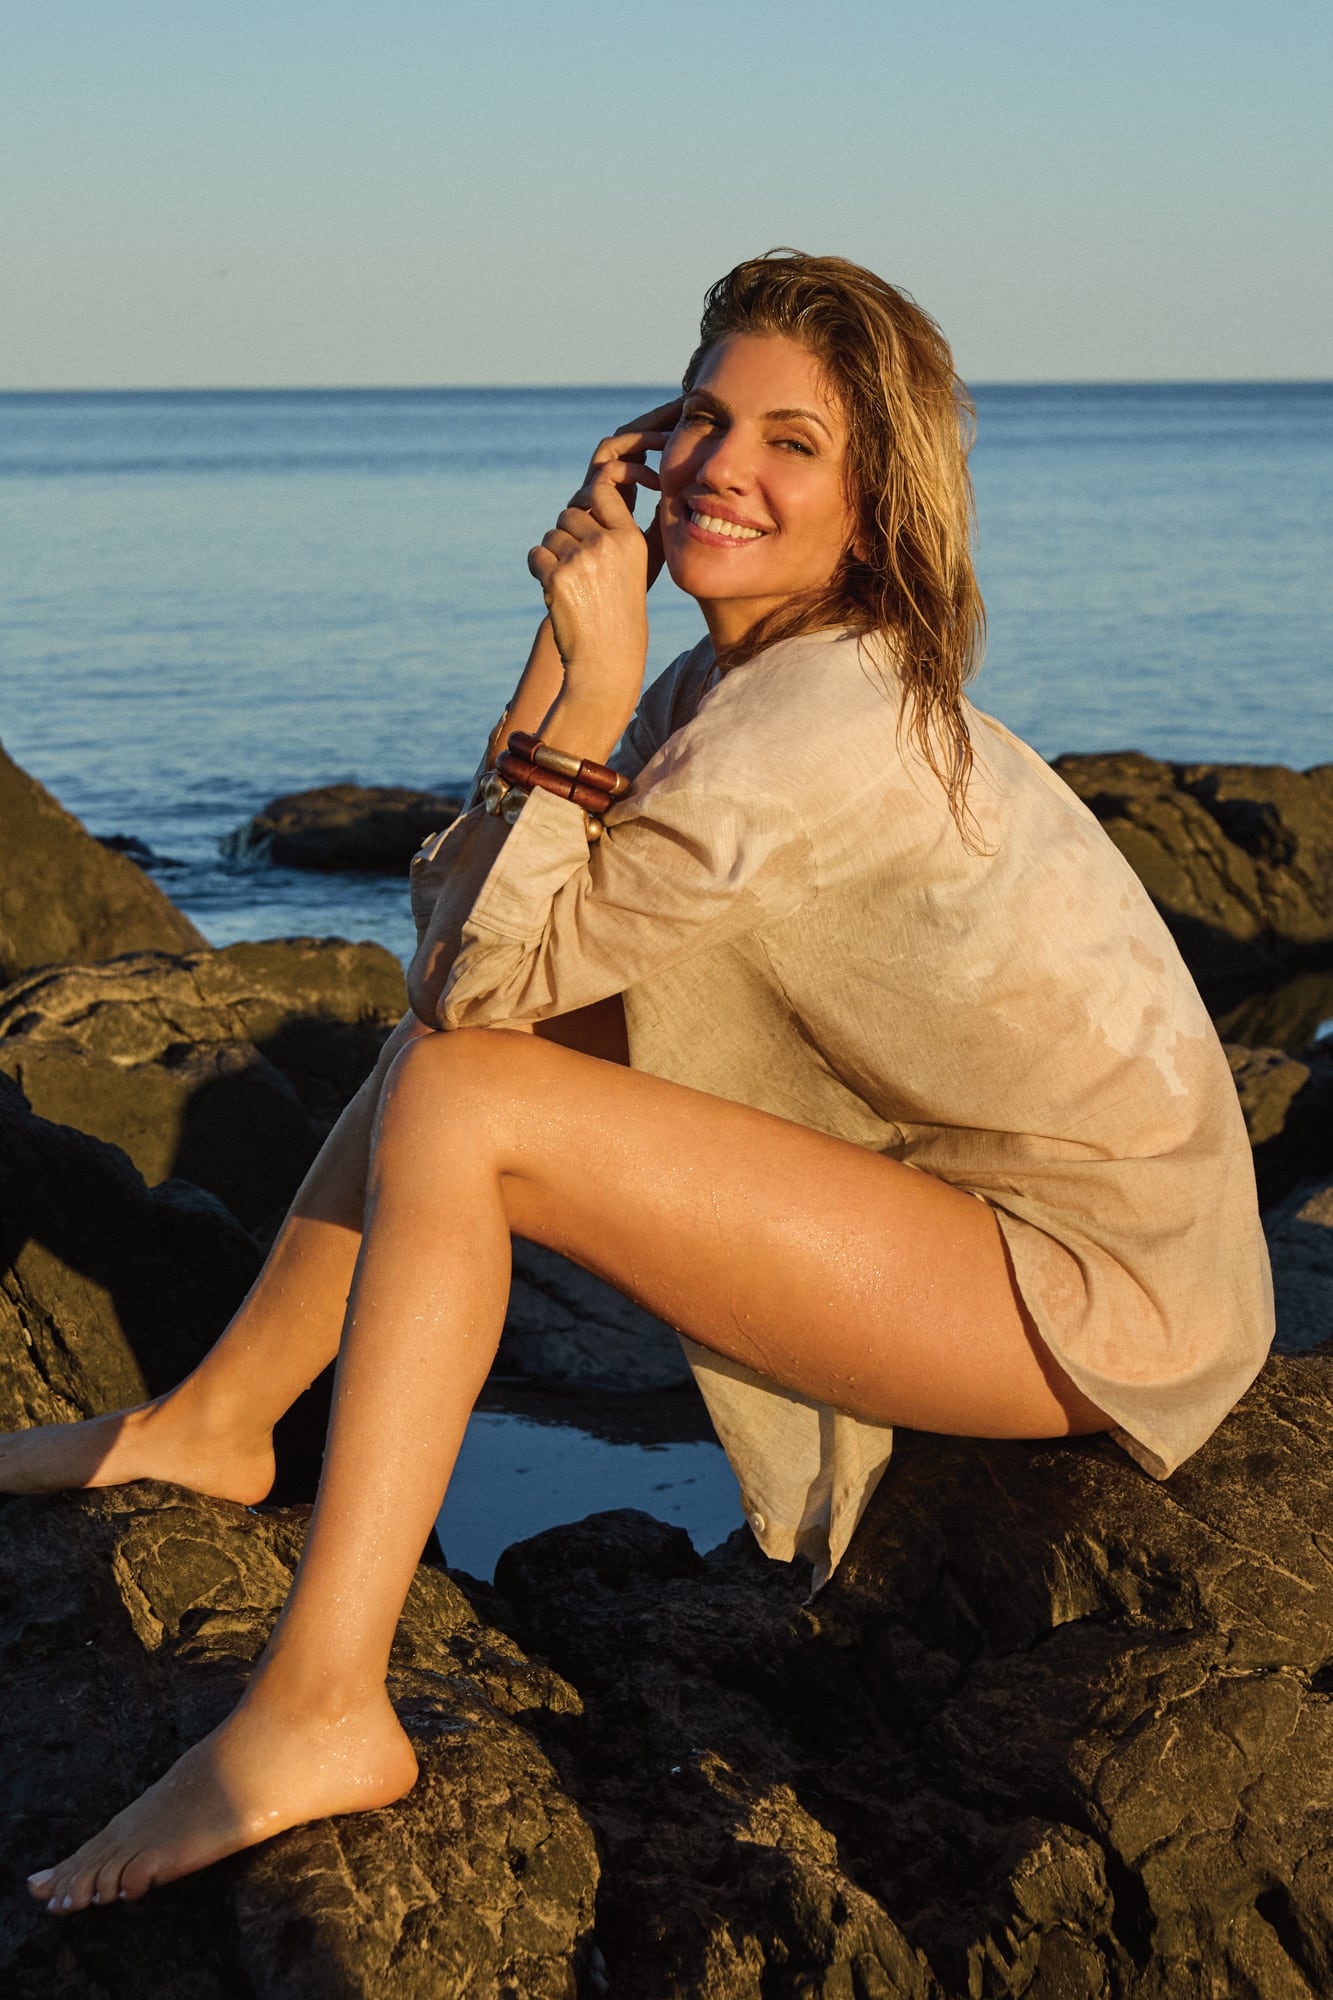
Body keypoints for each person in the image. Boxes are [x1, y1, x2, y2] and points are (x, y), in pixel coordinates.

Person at [11, 252, 1271, 1914]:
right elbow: (466, 947)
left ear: (879, 504)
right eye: (699, 415)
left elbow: (474, 989)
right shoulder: (730, 679)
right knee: (465, 1060)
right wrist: (573, 652)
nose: (720, 463)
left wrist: (588, 679)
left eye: (793, 441)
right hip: (949, 1191)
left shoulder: (814, 720)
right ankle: (217, 1422)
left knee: (467, 1090)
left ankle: (321, 1702)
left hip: (1095, 1294)